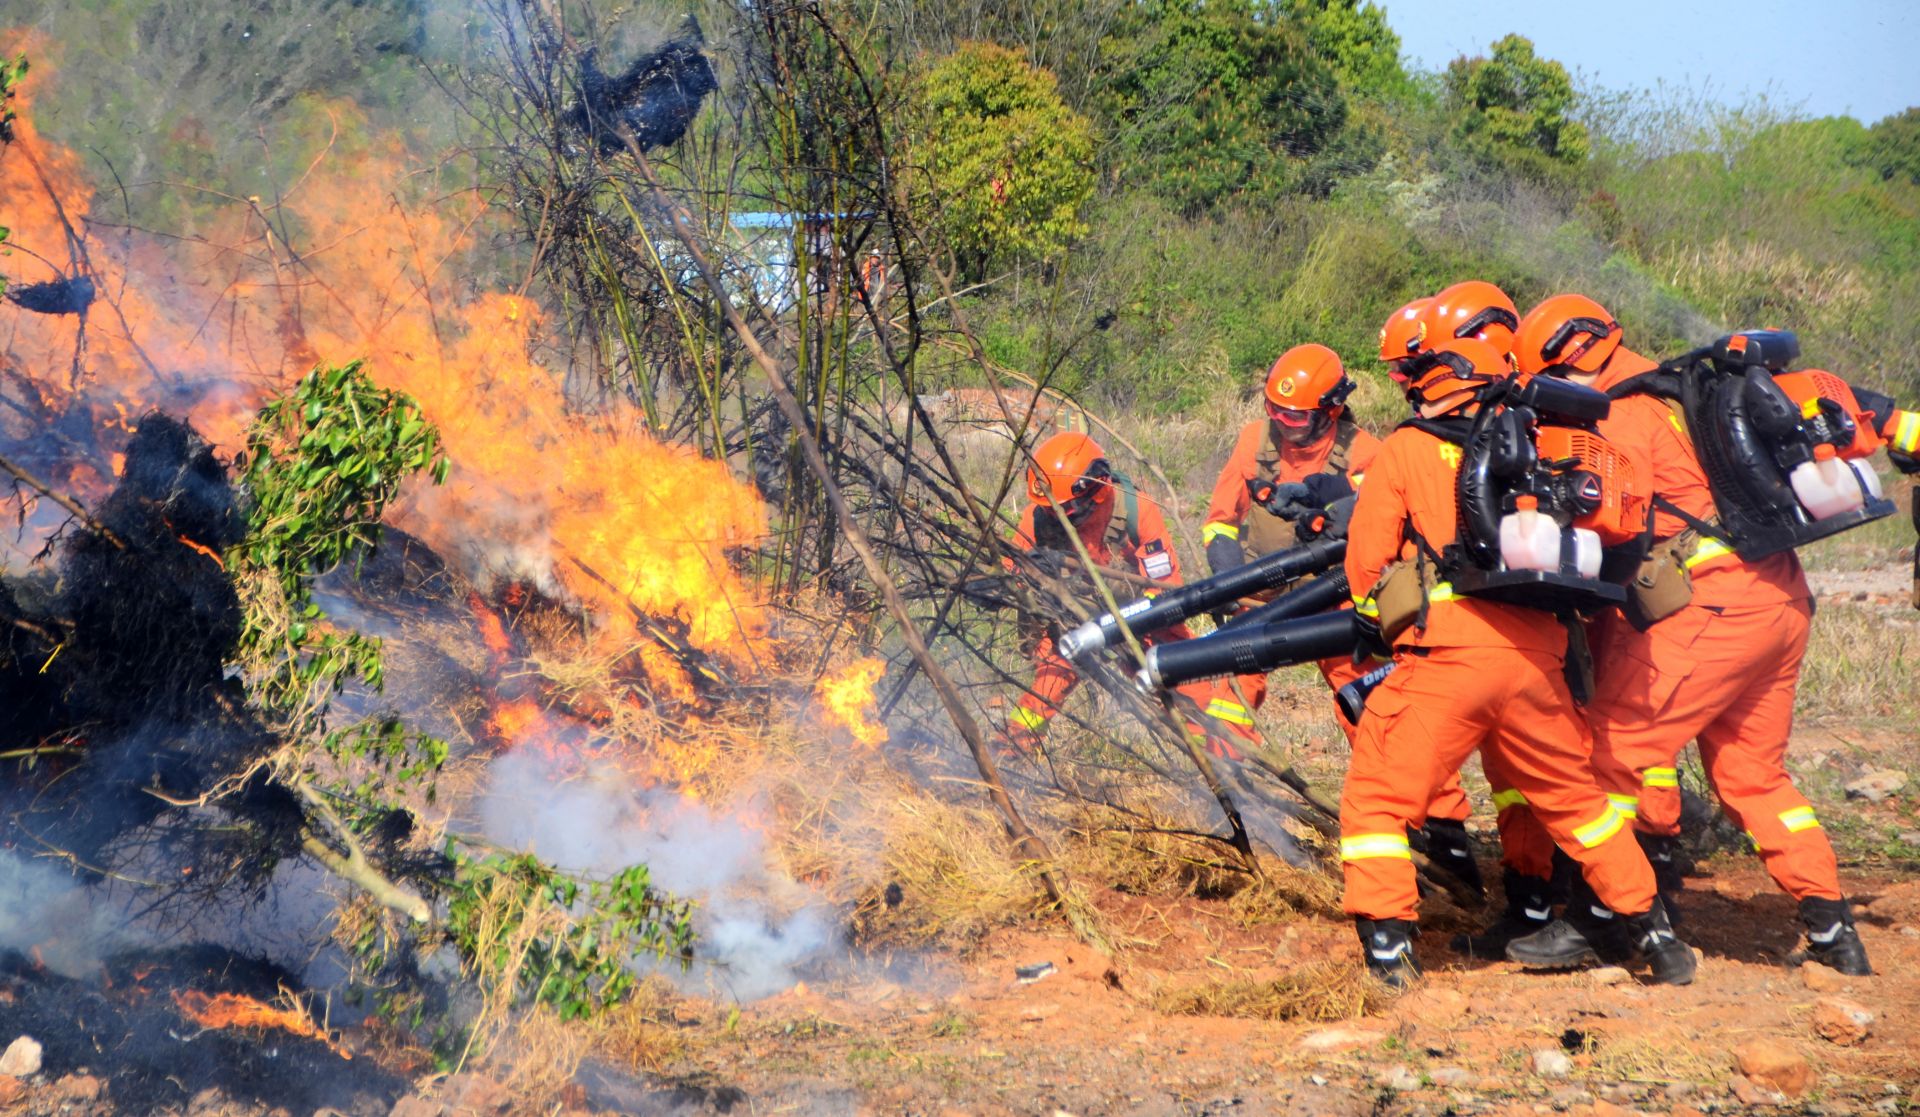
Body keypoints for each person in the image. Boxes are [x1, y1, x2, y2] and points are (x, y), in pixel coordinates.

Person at [1508, 293, 1884, 975]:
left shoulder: (1621, 411)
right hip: (1780, 597)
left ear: (1568, 357)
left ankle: (1600, 922)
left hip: (1712, 608)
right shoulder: (1688, 389)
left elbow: (1614, 518)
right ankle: (1833, 930)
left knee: (1612, 755)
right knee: (1752, 774)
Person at [1338, 336, 1692, 987]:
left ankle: (1389, 951)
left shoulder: (1412, 445)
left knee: (1378, 799)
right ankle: (1658, 935)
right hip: (1538, 660)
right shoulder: (1550, 439)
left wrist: (1371, 611)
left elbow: (1366, 562)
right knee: (1580, 804)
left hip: (1449, 652)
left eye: (1410, 369)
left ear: (1437, 370)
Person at [1201, 343, 1482, 894]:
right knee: (1226, 695)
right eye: (1273, 410)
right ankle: (1223, 807)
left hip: (1337, 601)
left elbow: (1391, 536)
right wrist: (1225, 581)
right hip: (1263, 598)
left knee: (1377, 710)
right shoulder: (1252, 445)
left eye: (1296, 416)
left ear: (1330, 409)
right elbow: (1219, 520)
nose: (1281, 425)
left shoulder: (1367, 454)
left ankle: (1442, 831)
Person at [1004, 431, 1252, 757]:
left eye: (1065, 509)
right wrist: (1006, 578)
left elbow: (1163, 595)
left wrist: (1114, 627)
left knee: (1186, 689)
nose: (1057, 516)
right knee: (1045, 687)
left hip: (1141, 619)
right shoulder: (1039, 517)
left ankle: (1225, 772)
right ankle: (1005, 759)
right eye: (1051, 510)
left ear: (1095, 490)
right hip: (1075, 619)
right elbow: (1010, 567)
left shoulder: (1137, 512)